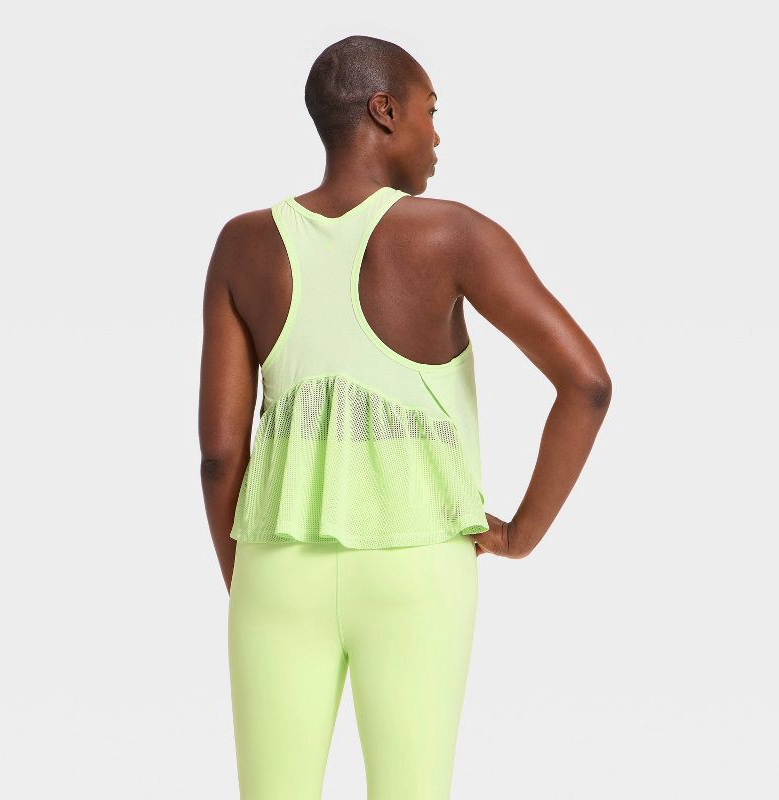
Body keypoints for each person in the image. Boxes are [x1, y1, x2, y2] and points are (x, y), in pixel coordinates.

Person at [198, 34, 612, 800]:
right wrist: (519, 534)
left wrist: (250, 577)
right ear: (384, 112)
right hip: (420, 569)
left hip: (275, 566)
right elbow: (585, 385)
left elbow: (221, 453)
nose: (437, 135)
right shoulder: (452, 235)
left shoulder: (243, 244)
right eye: (430, 111)